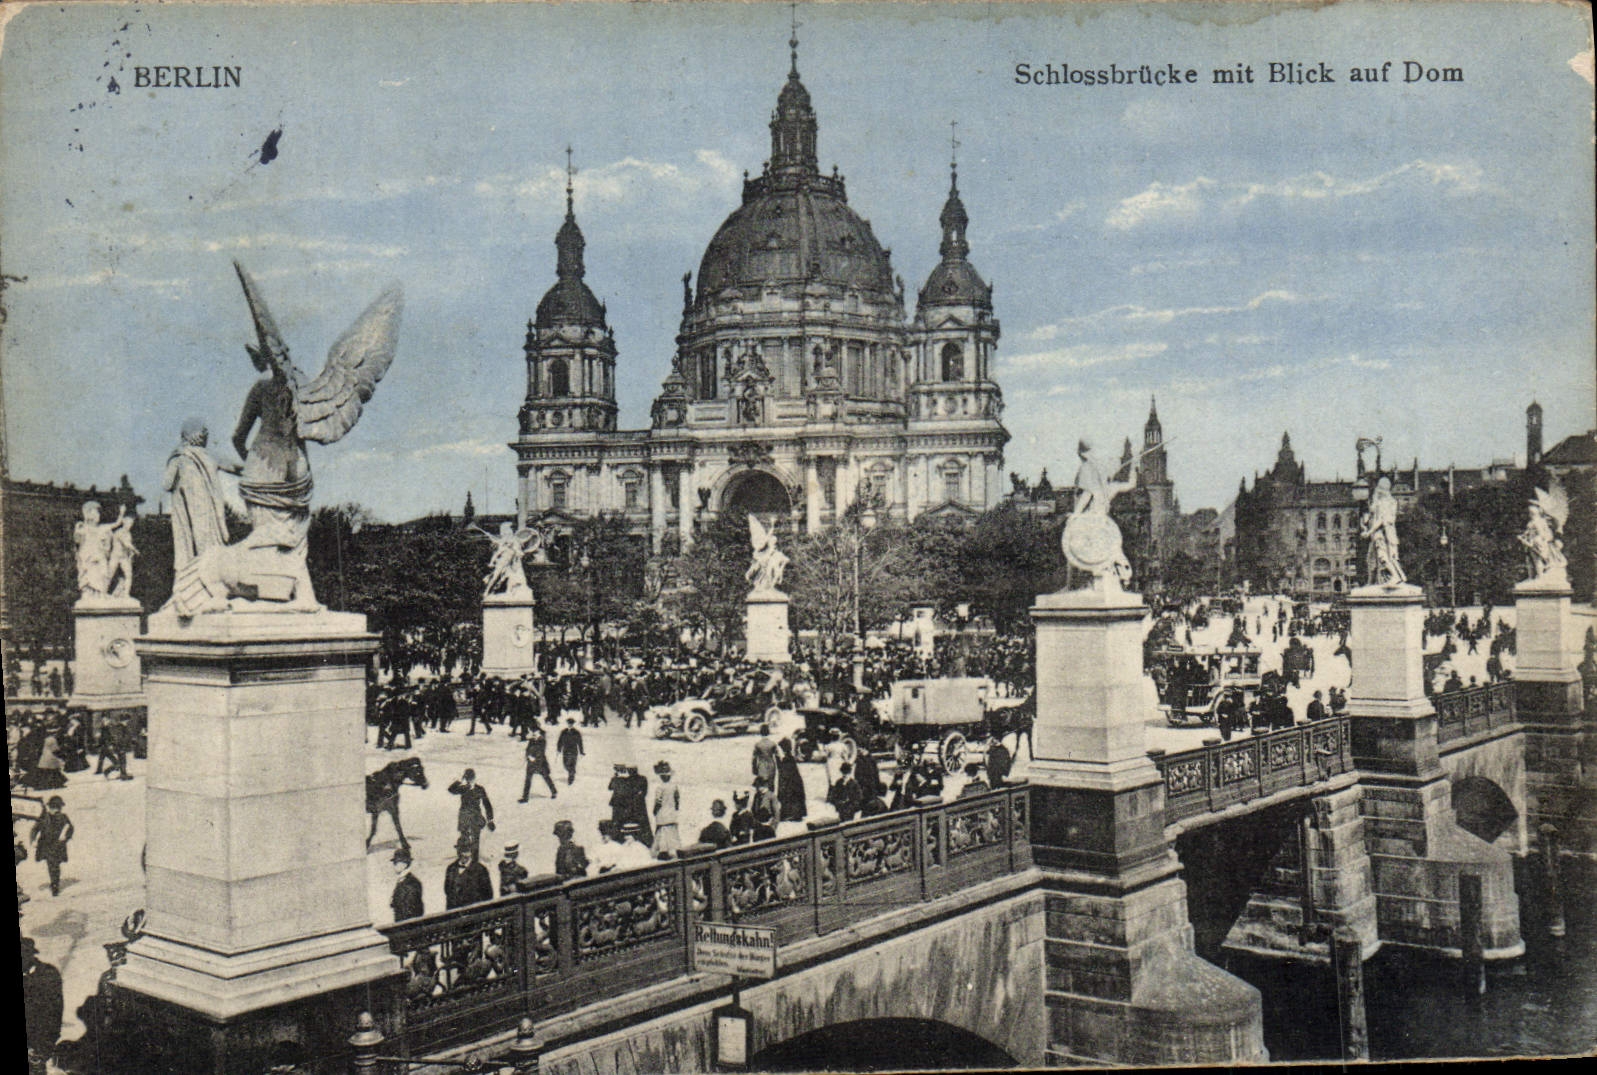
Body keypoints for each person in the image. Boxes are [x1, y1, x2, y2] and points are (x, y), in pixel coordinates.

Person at [22, 937, 63, 1075]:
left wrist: (44, 1047)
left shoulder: (48, 974)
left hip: (39, 1045)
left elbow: (55, 1013)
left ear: (31, 955)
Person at [31, 796, 74, 897]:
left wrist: (65, 837)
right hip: (45, 845)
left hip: (57, 845)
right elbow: (35, 829)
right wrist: (33, 840)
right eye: (54, 807)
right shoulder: (44, 817)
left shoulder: (63, 817)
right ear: (50, 807)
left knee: (54, 865)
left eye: (58, 807)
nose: (56, 809)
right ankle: (55, 884)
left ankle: (55, 884)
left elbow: (70, 828)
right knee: (52, 865)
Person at [449, 769, 495, 857]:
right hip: (465, 816)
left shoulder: (479, 789)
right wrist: (459, 781)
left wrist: (490, 820)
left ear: (474, 778)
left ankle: (474, 857)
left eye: (471, 778)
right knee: (464, 837)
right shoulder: (463, 788)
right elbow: (451, 789)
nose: (469, 780)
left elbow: (487, 804)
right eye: (467, 778)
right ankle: (462, 854)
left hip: (475, 817)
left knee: (475, 838)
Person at [443, 840, 494, 909]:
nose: (463, 854)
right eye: (460, 850)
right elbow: (447, 891)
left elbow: (488, 895)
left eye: (465, 851)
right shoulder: (451, 869)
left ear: (471, 852)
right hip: (454, 911)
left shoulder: (481, 870)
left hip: (474, 911)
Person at [518, 725, 557, 803]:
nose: (533, 733)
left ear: (539, 732)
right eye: (532, 731)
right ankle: (525, 797)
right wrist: (528, 756)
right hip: (531, 763)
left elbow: (541, 752)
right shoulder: (532, 740)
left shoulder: (542, 740)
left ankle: (554, 791)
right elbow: (527, 749)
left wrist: (535, 758)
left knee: (546, 777)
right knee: (528, 780)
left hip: (540, 763)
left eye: (535, 731)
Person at [652, 760, 682, 859]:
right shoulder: (674, 786)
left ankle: (663, 851)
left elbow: (658, 802)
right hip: (671, 812)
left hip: (662, 813)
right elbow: (677, 799)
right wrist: (675, 808)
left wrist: (654, 811)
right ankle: (675, 850)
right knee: (672, 833)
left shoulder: (660, 788)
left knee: (662, 834)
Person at [775, 739, 807, 823]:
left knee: (789, 797)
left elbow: (784, 774)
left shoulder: (786, 759)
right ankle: (795, 814)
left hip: (790, 784)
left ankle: (791, 815)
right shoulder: (789, 757)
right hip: (795, 783)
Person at [390, 847, 424, 922]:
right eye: (394, 863)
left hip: (409, 924)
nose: (394, 866)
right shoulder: (401, 881)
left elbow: (410, 908)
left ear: (404, 864)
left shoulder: (412, 883)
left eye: (396, 862)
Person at [556, 717, 585, 786]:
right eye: (569, 723)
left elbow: (580, 742)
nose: (570, 725)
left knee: (572, 764)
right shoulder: (563, 732)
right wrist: (559, 749)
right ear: (567, 724)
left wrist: (581, 752)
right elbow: (560, 741)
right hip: (565, 750)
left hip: (573, 751)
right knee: (565, 764)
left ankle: (571, 779)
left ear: (573, 724)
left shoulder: (576, 732)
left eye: (571, 724)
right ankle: (572, 772)